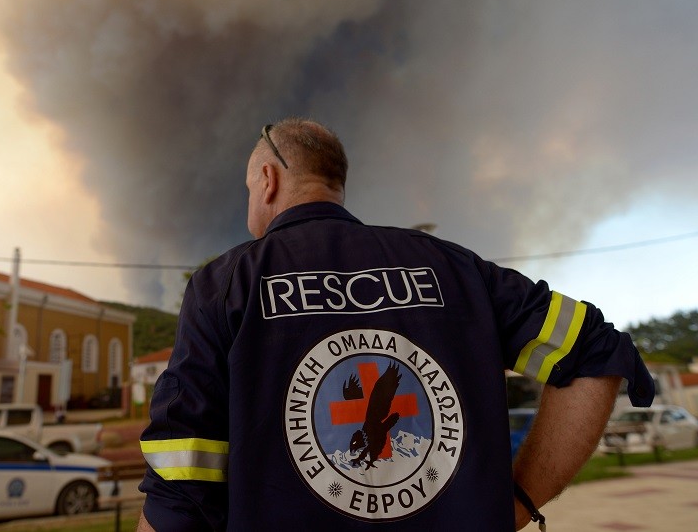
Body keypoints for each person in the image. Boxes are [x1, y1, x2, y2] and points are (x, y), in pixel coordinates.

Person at [137, 118, 654, 531]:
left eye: (250, 187)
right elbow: (594, 350)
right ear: (336, 183)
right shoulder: (455, 269)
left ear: (267, 181)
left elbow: (181, 475)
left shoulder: (227, 283)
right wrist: (517, 500)